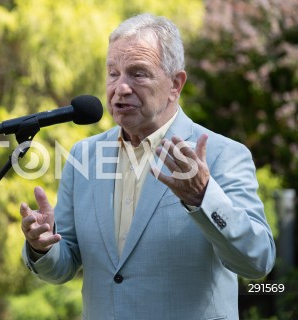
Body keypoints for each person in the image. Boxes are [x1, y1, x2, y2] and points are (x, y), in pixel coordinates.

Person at [19, 13, 275, 320]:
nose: (121, 87)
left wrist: (203, 196)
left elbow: (257, 261)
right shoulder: (84, 156)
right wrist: (42, 247)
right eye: (113, 74)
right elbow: (63, 265)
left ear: (175, 84)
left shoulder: (223, 155)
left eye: (138, 74)